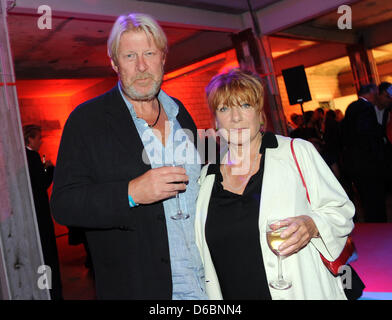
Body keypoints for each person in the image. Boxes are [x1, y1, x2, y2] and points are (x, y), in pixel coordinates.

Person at [50, 13, 207, 299]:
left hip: (205, 280)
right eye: (130, 55)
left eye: (149, 53)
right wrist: (131, 193)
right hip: (145, 288)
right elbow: (64, 204)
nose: (142, 66)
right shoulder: (87, 121)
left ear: (163, 57)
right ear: (114, 63)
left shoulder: (180, 112)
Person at [195, 69, 356, 300]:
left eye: (245, 105)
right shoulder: (207, 179)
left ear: (260, 114)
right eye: (224, 108)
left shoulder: (296, 153)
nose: (236, 117)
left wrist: (312, 225)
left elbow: (342, 210)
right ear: (214, 120)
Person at [23, 124, 63, 300]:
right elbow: (42, 184)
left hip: (32, 213)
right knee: (47, 253)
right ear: (30, 139)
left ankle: (45, 290)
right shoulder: (32, 156)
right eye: (38, 137)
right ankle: (51, 292)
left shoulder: (23, 158)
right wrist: (50, 168)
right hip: (40, 213)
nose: (41, 141)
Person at [341, 84, 387, 222]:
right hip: (367, 163)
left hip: (356, 164)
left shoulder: (352, 107)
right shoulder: (366, 108)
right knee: (375, 200)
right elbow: (366, 135)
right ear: (372, 93)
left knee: (366, 199)